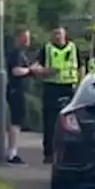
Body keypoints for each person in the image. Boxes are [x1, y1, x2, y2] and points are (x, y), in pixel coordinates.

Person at [38, 26, 80, 163]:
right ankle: (49, 153)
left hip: (69, 88)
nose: (57, 37)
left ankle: (69, 153)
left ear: (65, 35)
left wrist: (81, 85)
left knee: (70, 122)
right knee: (49, 122)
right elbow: (35, 67)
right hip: (51, 87)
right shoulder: (47, 48)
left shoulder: (73, 48)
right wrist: (46, 71)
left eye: (60, 34)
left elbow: (80, 67)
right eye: (55, 34)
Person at [3, 28, 40, 165]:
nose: (28, 41)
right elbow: (16, 71)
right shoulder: (16, 54)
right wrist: (30, 70)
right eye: (25, 37)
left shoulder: (22, 54)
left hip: (19, 91)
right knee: (15, 122)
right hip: (15, 91)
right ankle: (12, 153)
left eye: (28, 37)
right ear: (18, 38)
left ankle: (13, 151)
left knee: (17, 122)